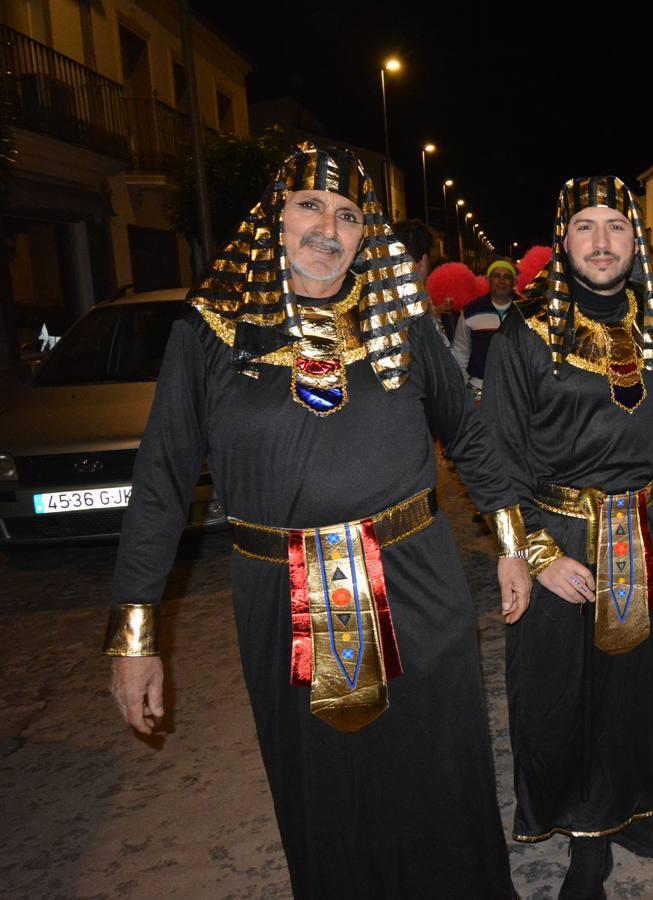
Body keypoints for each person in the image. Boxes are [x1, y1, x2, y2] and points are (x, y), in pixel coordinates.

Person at [103, 144, 530, 898]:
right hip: (280, 597)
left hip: (416, 583)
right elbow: (162, 480)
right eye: (310, 205)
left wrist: (510, 543)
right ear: (274, 218)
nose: (328, 227)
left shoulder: (404, 323)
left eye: (349, 214)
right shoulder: (210, 334)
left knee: (437, 774)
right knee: (325, 790)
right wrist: (135, 633)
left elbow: (466, 434)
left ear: (367, 236)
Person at [481, 175, 653, 899]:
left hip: (640, 529)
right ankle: (581, 836)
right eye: (586, 227)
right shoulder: (524, 332)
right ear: (562, 241)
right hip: (559, 534)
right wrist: (537, 553)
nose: (602, 243)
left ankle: (619, 808)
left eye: (617, 227)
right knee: (559, 695)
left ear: (636, 240)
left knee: (632, 686)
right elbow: (496, 457)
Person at [452, 258, 521, 397]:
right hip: (479, 387)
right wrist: (465, 383)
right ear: (488, 281)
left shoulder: (526, 311)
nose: (501, 281)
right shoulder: (471, 311)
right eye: (496, 276)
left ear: (514, 282)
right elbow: (461, 349)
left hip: (517, 389)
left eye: (507, 277)